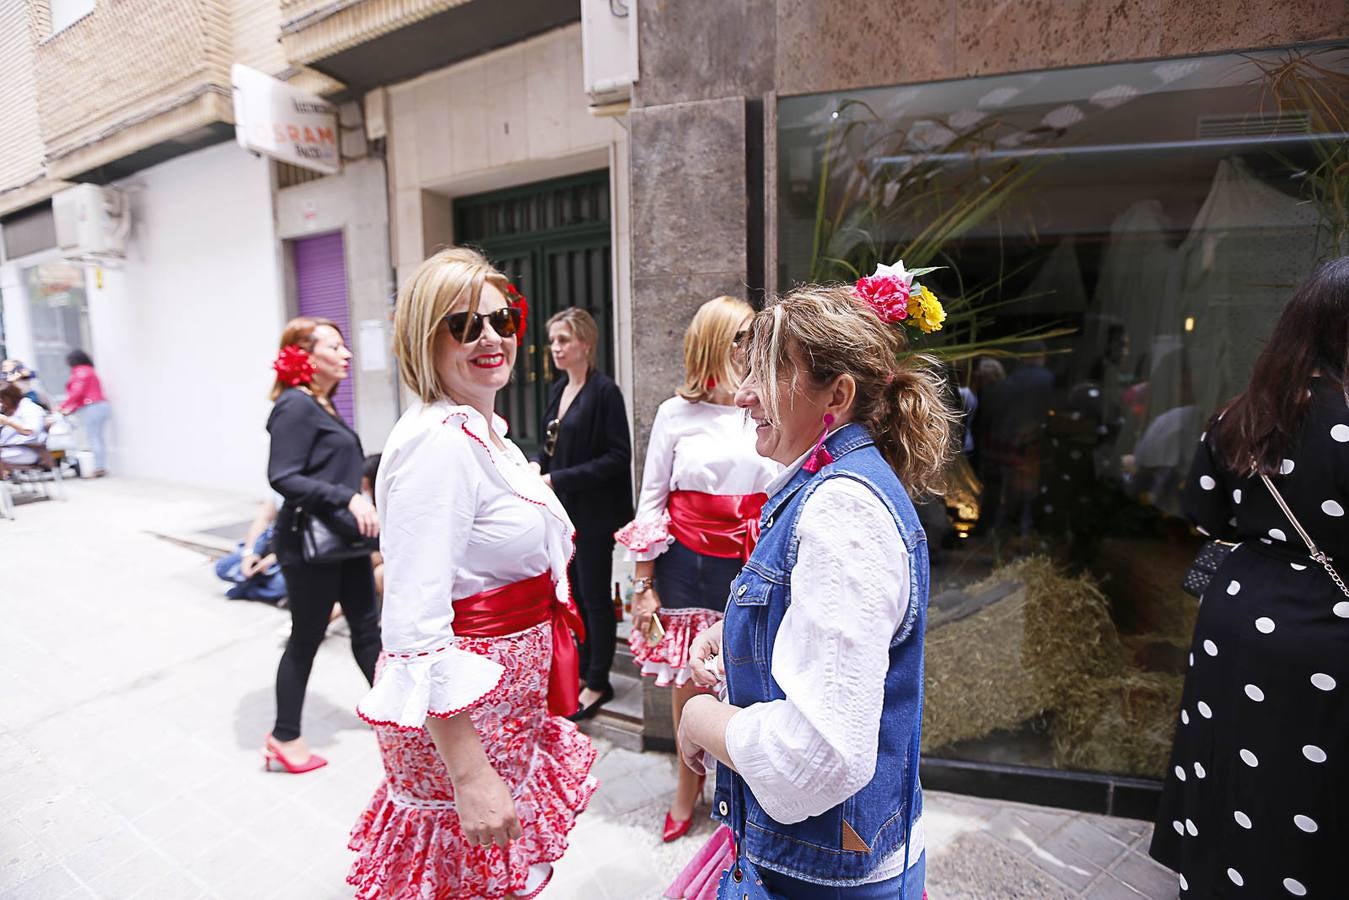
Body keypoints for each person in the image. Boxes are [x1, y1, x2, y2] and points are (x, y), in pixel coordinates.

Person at [676, 283, 957, 899]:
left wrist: (700, 719)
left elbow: (819, 756)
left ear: (839, 394)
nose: (745, 396)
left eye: (770, 374)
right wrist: (735, 631)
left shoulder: (842, 513)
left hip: (820, 878)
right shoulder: (829, 488)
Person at [350, 247, 595, 900]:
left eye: (501, 319)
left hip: (501, 712)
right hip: (466, 731)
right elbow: (413, 626)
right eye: (462, 326)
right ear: (423, 340)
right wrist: (470, 776)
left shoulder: (483, 432)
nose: (489, 338)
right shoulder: (440, 445)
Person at [1150, 258, 1349, 898]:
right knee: (1311, 789)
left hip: (1237, 614)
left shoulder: (1245, 414)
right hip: (1324, 625)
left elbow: (1203, 514)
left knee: (1231, 765)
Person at [614, 295, 778, 842]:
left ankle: (742, 797)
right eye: (741, 337)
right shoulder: (674, 414)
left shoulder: (767, 407)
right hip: (687, 567)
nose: (750, 347)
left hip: (751, 565)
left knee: (749, 682)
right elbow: (651, 502)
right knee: (689, 687)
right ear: (714, 343)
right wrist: (643, 588)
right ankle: (687, 793)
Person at [263, 317, 381, 774]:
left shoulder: (324, 405)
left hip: (346, 541)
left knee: (368, 630)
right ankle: (284, 736)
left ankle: (395, 715)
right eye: (335, 346)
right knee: (306, 638)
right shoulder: (294, 406)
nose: (347, 352)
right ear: (306, 357)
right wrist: (347, 497)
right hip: (308, 545)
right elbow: (283, 477)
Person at [533, 307, 633, 720]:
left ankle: (598, 681)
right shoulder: (559, 390)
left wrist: (558, 479)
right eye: (553, 341)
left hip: (593, 514)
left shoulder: (604, 392)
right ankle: (583, 666)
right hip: (564, 513)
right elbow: (551, 446)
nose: (556, 348)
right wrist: (536, 470)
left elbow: (617, 457)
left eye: (564, 340)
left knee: (593, 597)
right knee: (571, 593)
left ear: (585, 344)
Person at [214, 498, 287, 604]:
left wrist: (272, 559)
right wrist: (249, 553)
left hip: (289, 554)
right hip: (267, 545)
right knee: (222, 567)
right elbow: (262, 520)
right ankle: (259, 588)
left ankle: (250, 588)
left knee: (282, 584)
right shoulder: (280, 489)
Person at [58, 349, 110, 477]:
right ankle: (99, 466)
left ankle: (99, 468)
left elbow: (77, 392)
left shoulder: (81, 372)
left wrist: (63, 406)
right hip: (98, 406)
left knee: (93, 438)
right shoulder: (89, 370)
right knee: (96, 437)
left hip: (92, 407)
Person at [0, 382, 48, 475]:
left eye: (2, 400)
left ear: (10, 397)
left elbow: (31, 431)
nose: (1, 403)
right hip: (8, 449)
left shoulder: (29, 408)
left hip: (26, 451)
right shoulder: (10, 409)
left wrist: (7, 421)